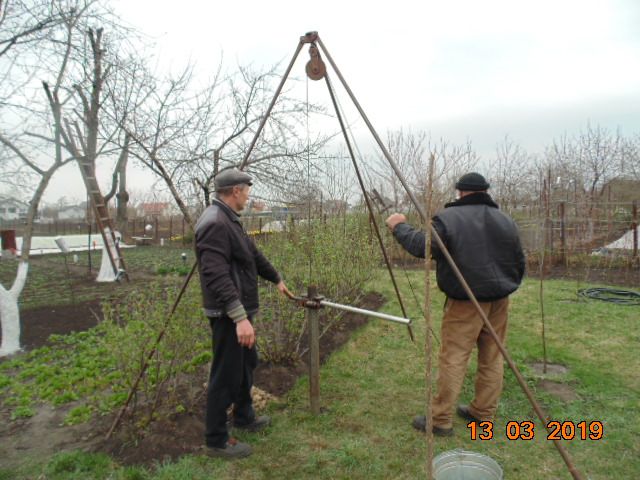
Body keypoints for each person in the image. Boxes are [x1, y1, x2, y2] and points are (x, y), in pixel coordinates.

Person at [385, 172, 525, 436]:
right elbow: (519, 261)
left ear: (460, 192)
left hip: (465, 303)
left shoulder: (449, 220)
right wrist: (507, 284)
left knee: (454, 357)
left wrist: (398, 225)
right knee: (492, 357)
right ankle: (482, 413)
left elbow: (421, 246)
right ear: (485, 191)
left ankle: (439, 419)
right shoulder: (506, 220)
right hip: (499, 301)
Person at [195, 168, 292, 458]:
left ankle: (244, 416)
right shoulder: (214, 223)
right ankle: (216, 440)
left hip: (239, 311)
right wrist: (239, 318)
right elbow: (215, 275)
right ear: (236, 190)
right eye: (247, 190)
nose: (249, 196)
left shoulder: (229, 220)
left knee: (247, 362)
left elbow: (253, 255)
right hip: (228, 315)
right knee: (225, 374)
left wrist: (276, 279)